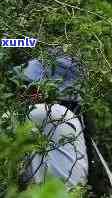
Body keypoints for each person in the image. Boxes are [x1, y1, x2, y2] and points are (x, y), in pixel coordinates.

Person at [13, 55, 88, 188]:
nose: (22, 93)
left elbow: (5, 124)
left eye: (30, 85)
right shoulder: (70, 117)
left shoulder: (46, 112)